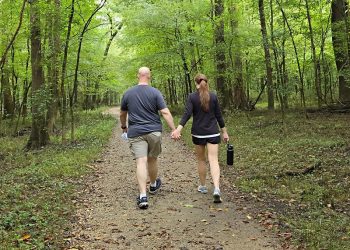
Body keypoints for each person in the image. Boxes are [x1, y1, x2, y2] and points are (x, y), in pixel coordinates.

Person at [120, 67, 177, 209]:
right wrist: (174, 129)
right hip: (154, 132)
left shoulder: (128, 93)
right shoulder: (155, 92)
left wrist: (123, 127)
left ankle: (143, 196)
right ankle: (152, 185)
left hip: (136, 131)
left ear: (137, 76)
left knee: (140, 162)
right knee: (152, 159)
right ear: (149, 76)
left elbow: (122, 114)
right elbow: (165, 112)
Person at [171, 73, 229, 203]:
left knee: (201, 160)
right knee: (213, 160)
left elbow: (187, 114)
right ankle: (216, 189)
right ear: (206, 82)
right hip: (213, 133)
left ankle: (203, 186)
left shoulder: (192, 97)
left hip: (198, 133)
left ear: (195, 83)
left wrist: (178, 129)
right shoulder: (213, 96)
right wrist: (224, 132)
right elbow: (219, 116)